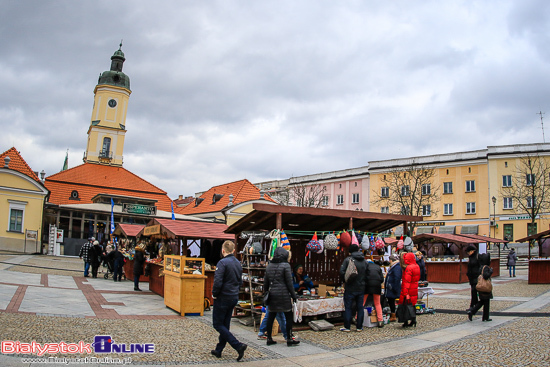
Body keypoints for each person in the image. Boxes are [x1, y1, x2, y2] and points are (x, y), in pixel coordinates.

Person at [211, 240, 247, 360]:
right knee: (225, 324)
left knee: (217, 324)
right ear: (233, 250)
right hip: (233, 296)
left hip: (223, 297)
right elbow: (240, 281)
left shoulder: (222, 263)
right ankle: (219, 350)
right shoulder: (238, 263)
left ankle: (237, 345)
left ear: (223, 250)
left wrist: (214, 294)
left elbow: (218, 282)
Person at [264, 247, 300, 346]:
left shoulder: (269, 266)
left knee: (271, 317)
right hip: (284, 295)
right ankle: (289, 338)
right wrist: (294, 296)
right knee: (288, 316)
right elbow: (289, 283)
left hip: (272, 295)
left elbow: (265, 283)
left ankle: (269, 338)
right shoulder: (286, 266)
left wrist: (265, 293)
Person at [339, 243, 367, 332]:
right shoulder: (364, 261)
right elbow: (367, 273)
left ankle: (347, 327)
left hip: (350, 287)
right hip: (361, 287)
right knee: (360, 307)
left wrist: (346, 280)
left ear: (350, 251)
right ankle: (359, 326)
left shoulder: (348, 260)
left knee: (348, 307)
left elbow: (341, 272)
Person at [467, 253, 493, 322]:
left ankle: (474, 312)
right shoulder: (486, 267)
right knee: (485, 302)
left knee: (482, 302)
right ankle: (483, 316)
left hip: (480, 287)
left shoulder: (481, 267)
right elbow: (486, 275)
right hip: (485, 287)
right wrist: (490, 272)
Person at [398, 252, 420, 327]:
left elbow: (406, 281)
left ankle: (406, 321)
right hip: (414, 288)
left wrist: (405, 292)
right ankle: (414, 320)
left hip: (409, 289)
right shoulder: (416, 266)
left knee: (405, 305)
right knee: (412, 304)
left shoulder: (408, 268)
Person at [364, 259, 385, 328]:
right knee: (377, 303)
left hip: (367, 286)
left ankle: (357, 317)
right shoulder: (377, 267)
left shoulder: (365, 266)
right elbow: (382, 279)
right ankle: (380, 320)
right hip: (377, 286)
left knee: (362, 302)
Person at [383, 254, 402, 322]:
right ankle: (393, 314)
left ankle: (394, 315)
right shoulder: (394, 267)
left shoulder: (396, 267)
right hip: (391, 288)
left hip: (393, 288)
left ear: (391, 260)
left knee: (392, 301)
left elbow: (397, 278)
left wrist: (393, 288)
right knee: (391, 301)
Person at [466, 244, 481, 311]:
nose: (468, 253)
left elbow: (479, 266)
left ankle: (473, 306)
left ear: (473, 251)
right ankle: (474, 305)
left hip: (476, 277)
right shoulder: (471, 258)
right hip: (471, 278)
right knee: (473, 292)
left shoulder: (477, 257)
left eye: (469, 252)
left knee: (474, 292)